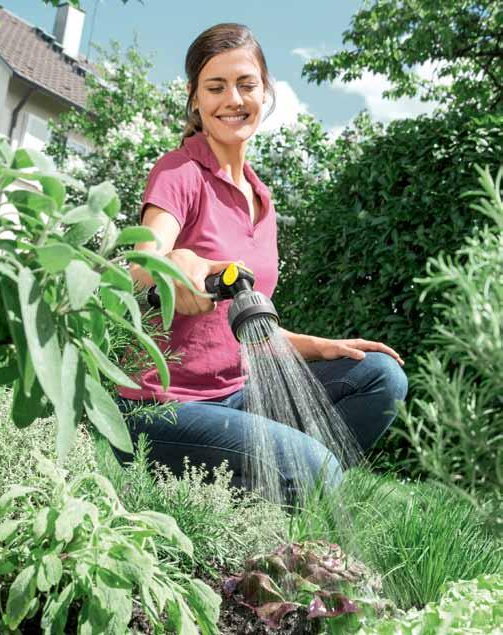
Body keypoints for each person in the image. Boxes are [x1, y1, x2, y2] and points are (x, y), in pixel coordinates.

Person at [116, 23, 408, 497]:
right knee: (312, 465)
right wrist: (179, 263)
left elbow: (246, 329)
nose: (233, 98)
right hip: (162, 408)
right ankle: (289, 484)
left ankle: (262, 495)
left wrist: (319, 344)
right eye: (216, 87)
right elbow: (140, 266)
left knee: (379, 378)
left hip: (234, 395)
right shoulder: (180, 172)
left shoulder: (261, 199)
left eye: (246, 85)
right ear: (195, 99)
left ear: (265, 91)